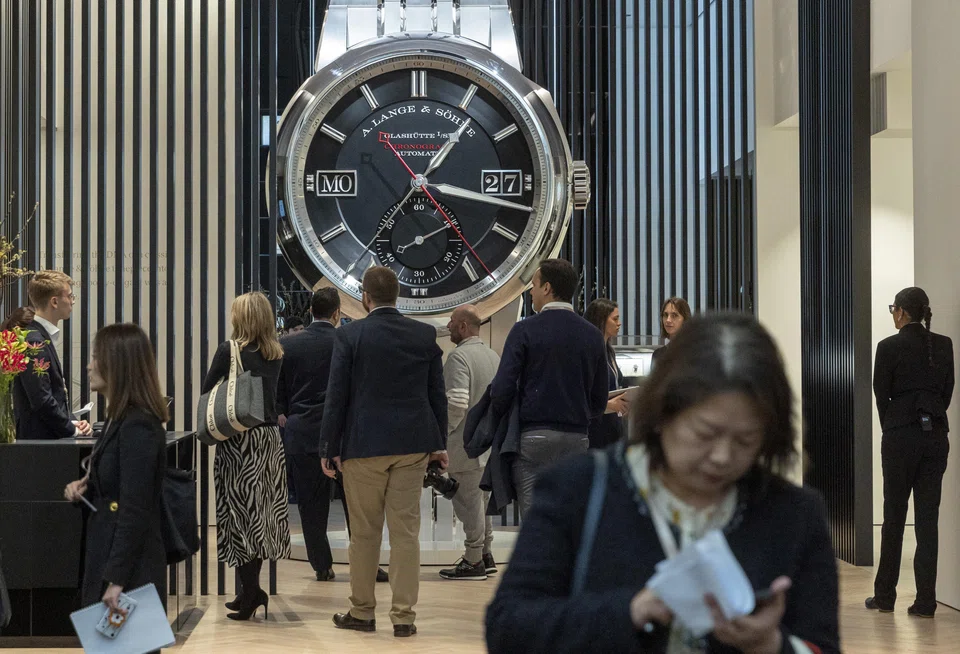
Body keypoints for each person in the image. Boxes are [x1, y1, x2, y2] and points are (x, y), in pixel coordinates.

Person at [486, 313, 840, 654]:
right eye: (705, 434)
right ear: (663, 414)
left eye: (745, 440)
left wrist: (771, 645)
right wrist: (630, 612)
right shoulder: (578, 489)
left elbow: (822, 644)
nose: (721, 456)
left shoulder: (794, 513)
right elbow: (509, 628)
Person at [320, 266, 447, 638]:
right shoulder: (423, 335)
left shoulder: (350, 335)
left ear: (365, 296)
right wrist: (438, 445)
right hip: (412, 446)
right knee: (406, 533)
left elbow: (337, 397)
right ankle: (404, 617)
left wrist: (329, 447)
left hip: (363, 446)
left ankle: (362, 611)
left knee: (364, 534)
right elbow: (436, 396)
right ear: (398, 296)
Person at [63, 324, 169, 619]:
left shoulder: (139, 425)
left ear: (118, 363)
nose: (89, 366)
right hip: (109, 561)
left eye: (96, 357)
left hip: (128, 572)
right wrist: (85, 485)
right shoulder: (117, 419)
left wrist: (117, 579)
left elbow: (135, 508)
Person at [489, 258, 608, 517]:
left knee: (535, 521)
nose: (531, 292)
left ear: (547, 288)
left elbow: (502, 388)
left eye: (534, 285)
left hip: (534, 435)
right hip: (576, 437)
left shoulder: (524, 330)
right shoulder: (592, 335)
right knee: (571, 517)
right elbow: (599, 398)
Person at [202, 292, 290, 621]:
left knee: (239, 516)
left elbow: (208, 391)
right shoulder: (277, 353)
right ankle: (250, 591)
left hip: (238, 441)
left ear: (243, 317)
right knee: (262, 517)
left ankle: (251, 593)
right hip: (268, 441)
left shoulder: (230, 350)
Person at [867, 287, 954, 618]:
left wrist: (892, 427)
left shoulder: (888, 347)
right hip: (935, 436)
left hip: (900, 437)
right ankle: (926, 601)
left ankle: (885, 596)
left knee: (894, 517)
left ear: (901, 312)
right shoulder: (943, 345)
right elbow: (946, 393)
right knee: (927, 521)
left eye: (893, 309)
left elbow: (881, 395)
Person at [438, 305, 501, 581]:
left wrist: (442, 435)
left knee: (467, 504)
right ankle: (486, 554)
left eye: (452, 322)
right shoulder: (493, 356)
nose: (448, 327)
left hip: (464, 444)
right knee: (481, 501)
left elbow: (457, 402)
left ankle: (473, 559)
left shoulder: (458, 357)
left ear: (463, 326)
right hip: (488, 444)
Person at [13, 271, 92, 440]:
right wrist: (71, 430)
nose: (72, 301)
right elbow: (41, 399)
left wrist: (72, 421)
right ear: (54, 302)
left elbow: (54, 396)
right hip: (41, 447)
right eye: (70, 296)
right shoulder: (34, 340)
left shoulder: (36, 336)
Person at [583, 299, 629, 449]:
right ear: (601, 320)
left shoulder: (609, 351)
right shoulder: (588, 353)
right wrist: (609, 405)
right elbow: (581, 396)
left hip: (613, 425)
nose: (619, 323)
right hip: (595, 429)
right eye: (615, 319)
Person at [651, 296, 691, 368]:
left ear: (685, 320)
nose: (668, 320)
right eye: (665, 315)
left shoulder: (695, 353)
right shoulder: (658, 355)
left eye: (674, 315)